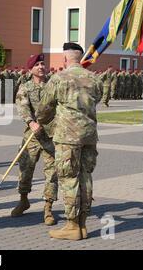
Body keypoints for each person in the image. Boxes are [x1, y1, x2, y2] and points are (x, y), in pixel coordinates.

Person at [36, 43, 103, 241]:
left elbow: (44, 108)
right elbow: (97, 99)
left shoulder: (59, 78)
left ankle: (72, 225)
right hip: (89, 135)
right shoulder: (95, 79)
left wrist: (43, 120)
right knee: (85, 176)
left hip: (68, 136)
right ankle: (83, 224)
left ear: (65, 59)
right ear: (80, 59)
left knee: (68, 178)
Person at [11, 54, 58, 226]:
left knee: (52, 173)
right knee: (25, 170)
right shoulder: (25, 87)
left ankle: (48, 208)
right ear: (31, 69)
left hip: (51, 136)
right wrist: (31, 122)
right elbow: (22, 107)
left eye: (42, 64)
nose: (41, 67)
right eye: (37, 64)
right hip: (32, 136)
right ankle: (23, 200)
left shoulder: (53, 86)